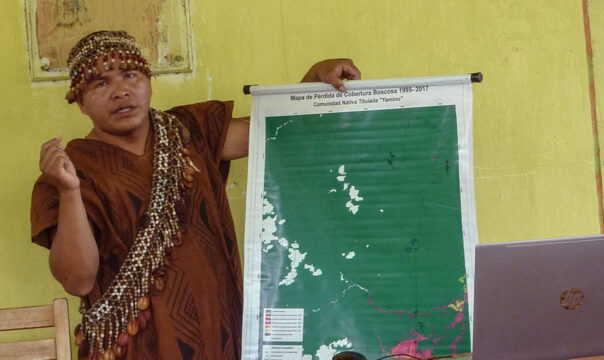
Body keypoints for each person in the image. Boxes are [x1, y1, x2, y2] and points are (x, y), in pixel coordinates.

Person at [30, 30, 360, 360]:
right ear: (81, 102)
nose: (121, 91)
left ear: (148, 82)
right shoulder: (69, 173)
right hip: (136, 348)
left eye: (130, 74)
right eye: (100, 83)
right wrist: (70, 192)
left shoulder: (187, 131)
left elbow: (273, 133)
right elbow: (77, 279)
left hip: (222, 333)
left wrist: (313, 81)